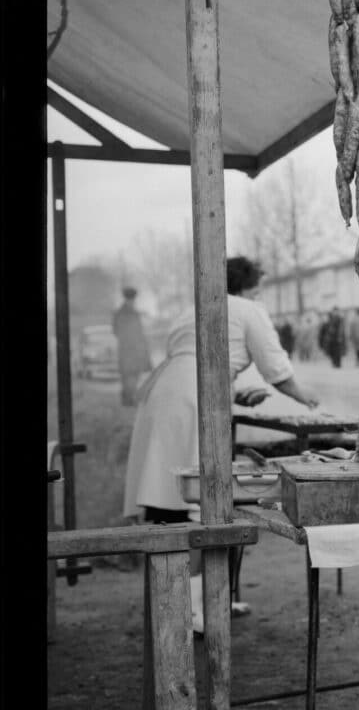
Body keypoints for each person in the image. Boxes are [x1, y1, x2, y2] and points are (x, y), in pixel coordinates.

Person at [123, 256, 319, 629]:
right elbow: (276, 368)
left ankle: (185, 603)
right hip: (193, 398)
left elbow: (200, 361)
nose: (260, 296)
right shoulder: (247, 309)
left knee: (168, 504)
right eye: (258, 289)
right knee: (202, 505)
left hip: (165, 394)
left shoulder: (192, 309)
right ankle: (196, 613)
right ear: (245, 288)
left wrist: (232, 395)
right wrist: (306, 397)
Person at [112, 286, 152, 406]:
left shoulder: (134, 313)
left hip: (135, 350)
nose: (132, 302)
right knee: (128, 375)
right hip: (126, 349)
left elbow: (140, 332)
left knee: (133, 374)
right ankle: (128, 400)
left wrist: (143, 348)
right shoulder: (120, 314)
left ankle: (128, 399)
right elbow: (117, 331)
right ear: (126, 299)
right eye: (130, 299)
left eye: (133, 300)